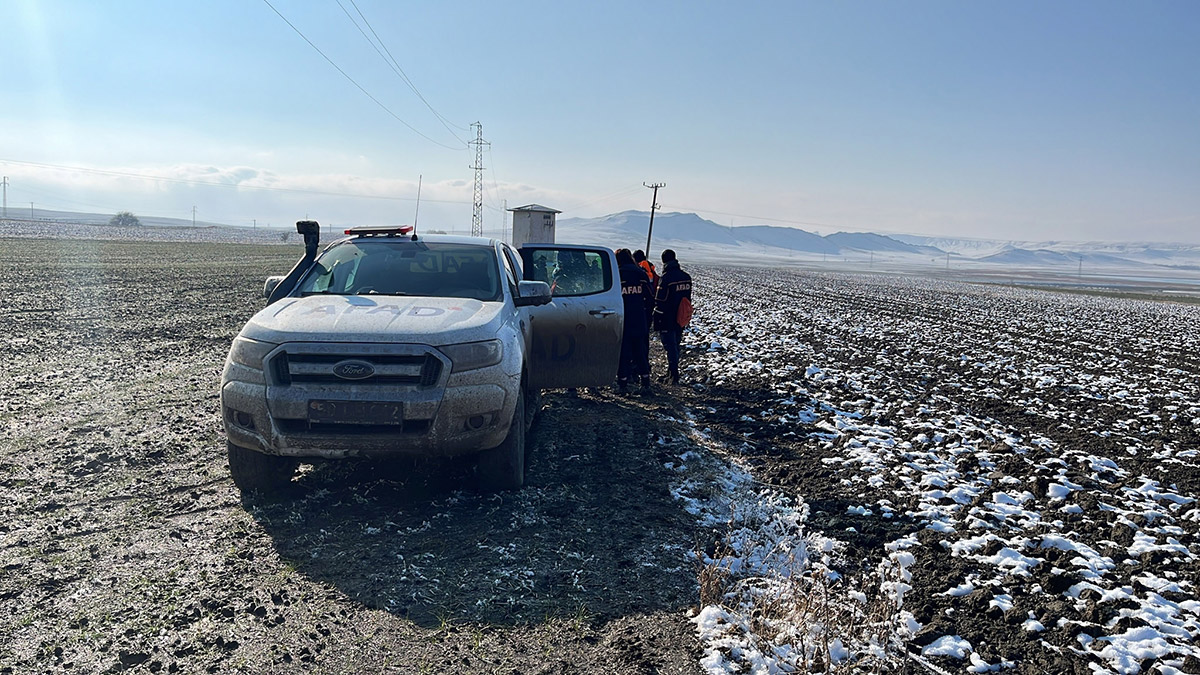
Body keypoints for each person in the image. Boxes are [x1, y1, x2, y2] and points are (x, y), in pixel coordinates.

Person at [614, 248, 654, 394]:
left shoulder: (616, 275)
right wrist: (647, 315)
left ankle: (622, 384)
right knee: (640, 352)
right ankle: (645, 383)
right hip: (639, 318)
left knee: (623, 352)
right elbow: (650, 297)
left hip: (622, 319)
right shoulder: (640, 273)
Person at [652, 248, 692, 385]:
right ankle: (671, 372)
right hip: (680, 317)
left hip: (667, 317)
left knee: (670, 346)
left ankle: (673, 375)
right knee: (676, 344)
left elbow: (660, 300)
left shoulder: (666, 278)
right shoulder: (686, 277)